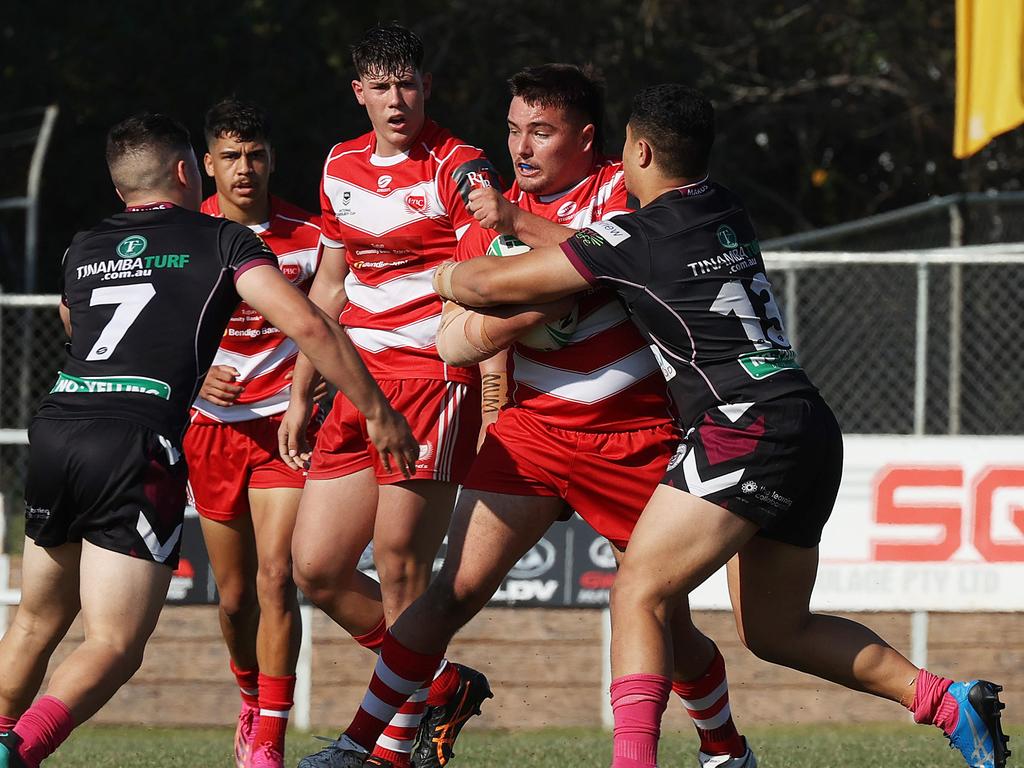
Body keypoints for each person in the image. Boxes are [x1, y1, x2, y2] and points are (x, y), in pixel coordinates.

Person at [428, 84, 1011, 768]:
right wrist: (522, 226)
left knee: (639, 592)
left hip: (741, 423)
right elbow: (602, 253)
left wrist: (444, 276)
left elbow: (490, 289)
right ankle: (948, 701)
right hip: (808, 422)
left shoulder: (633, 236)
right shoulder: (722, 207)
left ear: (641, 151)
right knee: (775, 629)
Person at [304, 66, 756, 768]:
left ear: (586, 138)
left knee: (663, 612)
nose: (522, 147)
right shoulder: (492, 214)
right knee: (450, 591)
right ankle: (363, 747)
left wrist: (526, 246)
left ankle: (724, 747)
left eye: (541, 132)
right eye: (514, 130)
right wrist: (518, 319)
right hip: (532, 435)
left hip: (630, 435)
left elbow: (611, 259)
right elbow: (452, 335)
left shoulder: (620, 190)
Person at [0, 112, 417, 768]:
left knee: (35, 621)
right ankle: (19, 749)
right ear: (190, 171)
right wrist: (377, 410)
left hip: (57, 429)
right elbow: (308, 324)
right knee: (112, 643)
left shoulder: (83, 245)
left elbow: (74, 327)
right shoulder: (221, 240)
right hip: (134, 440)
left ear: (121, 191)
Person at [281, 24, 502, 768]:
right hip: (352, 381)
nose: (395, 99)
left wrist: (491, 388)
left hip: (430, 380)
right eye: (380, 85)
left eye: (407, 83)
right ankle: (438, 684)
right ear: (359, 93)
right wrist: (300, 388)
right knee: (315, 570)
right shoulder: (340, 162)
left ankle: (392, 751)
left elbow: (487, 286)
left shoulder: (460, 165)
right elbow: (332, 285)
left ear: (426, 88)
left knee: (403, 566)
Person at [182, 98, 323, 768]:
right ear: (206, 165)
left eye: (256, 154)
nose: (245, 168)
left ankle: (269, 738)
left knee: (276, 578)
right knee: (234, 597)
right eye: (231, 157)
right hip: (209, 432)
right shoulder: (183, 233)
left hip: (282, 429)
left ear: (272, 159)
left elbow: (329, 328)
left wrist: (305, 395)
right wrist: (193, 373)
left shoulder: (310, 236)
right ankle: (249, 697)